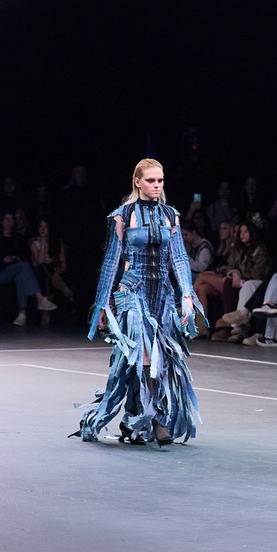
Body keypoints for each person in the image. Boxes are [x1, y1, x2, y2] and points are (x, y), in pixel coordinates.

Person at [72, 159, 203, 447]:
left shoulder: (170, 215)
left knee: (160, 358)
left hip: (163, 294)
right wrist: (102, 305)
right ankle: (156, 420)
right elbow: (111, 262)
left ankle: (134, 418)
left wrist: (187, 295)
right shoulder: (123, 215)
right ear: (137, 182)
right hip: (133, 291)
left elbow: (179, 258)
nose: (156, 185)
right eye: (151, 180)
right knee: (145, 355)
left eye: (160, 180)